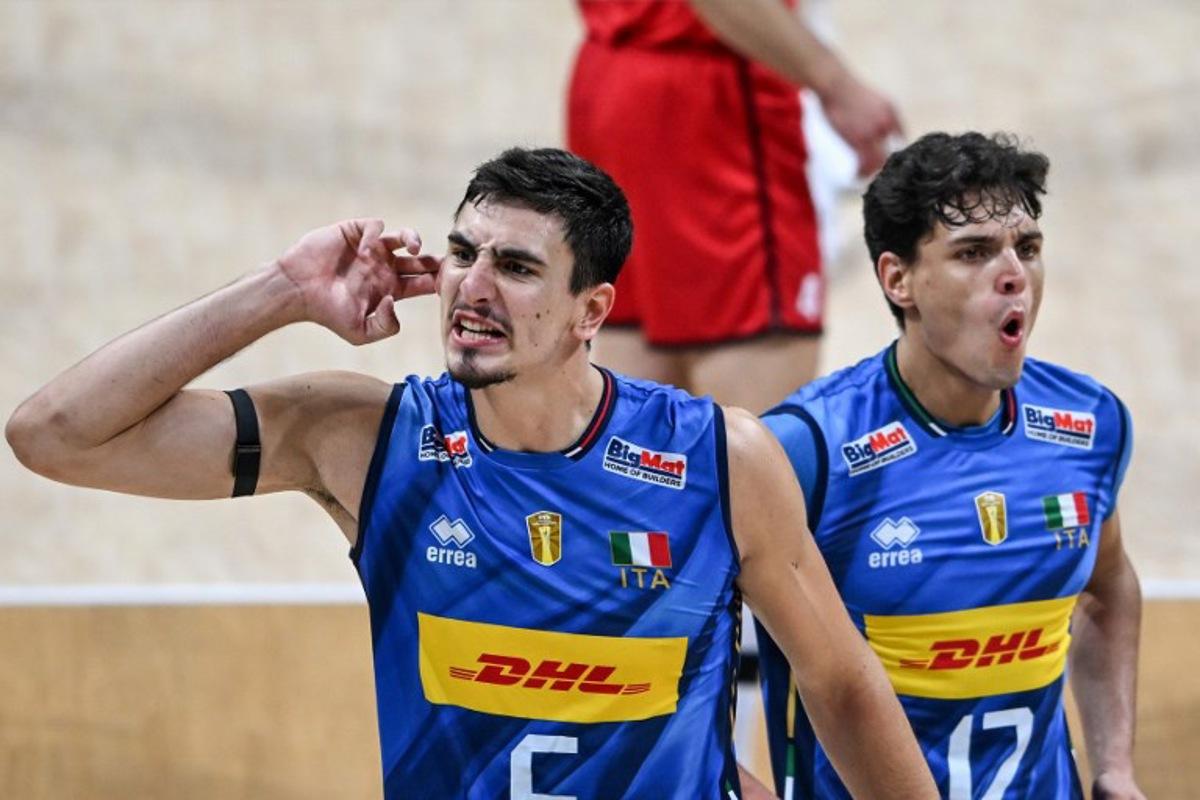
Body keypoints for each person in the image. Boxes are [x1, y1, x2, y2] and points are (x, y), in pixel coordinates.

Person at [6, 148, 936, 799]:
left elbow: (841, 683)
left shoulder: (719, 460)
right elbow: (55, 434)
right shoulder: (367, 437)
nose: (472, 285)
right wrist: (283, 292)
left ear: (590, 310)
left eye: (517, 265)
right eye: (463, 252)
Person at [747, 132, 1146, 799]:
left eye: (1028, 247)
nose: (1013, 271)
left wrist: (1115, 767)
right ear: (897, 279)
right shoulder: (806, 449)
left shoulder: (1088, 427)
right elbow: (681, 632)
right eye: (974, 252)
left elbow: (1107, 589)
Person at [567, 0, 902, 413]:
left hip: (612, 80)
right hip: (710, 100)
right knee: (761, 437)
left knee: (637, 427)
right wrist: (837, 86)